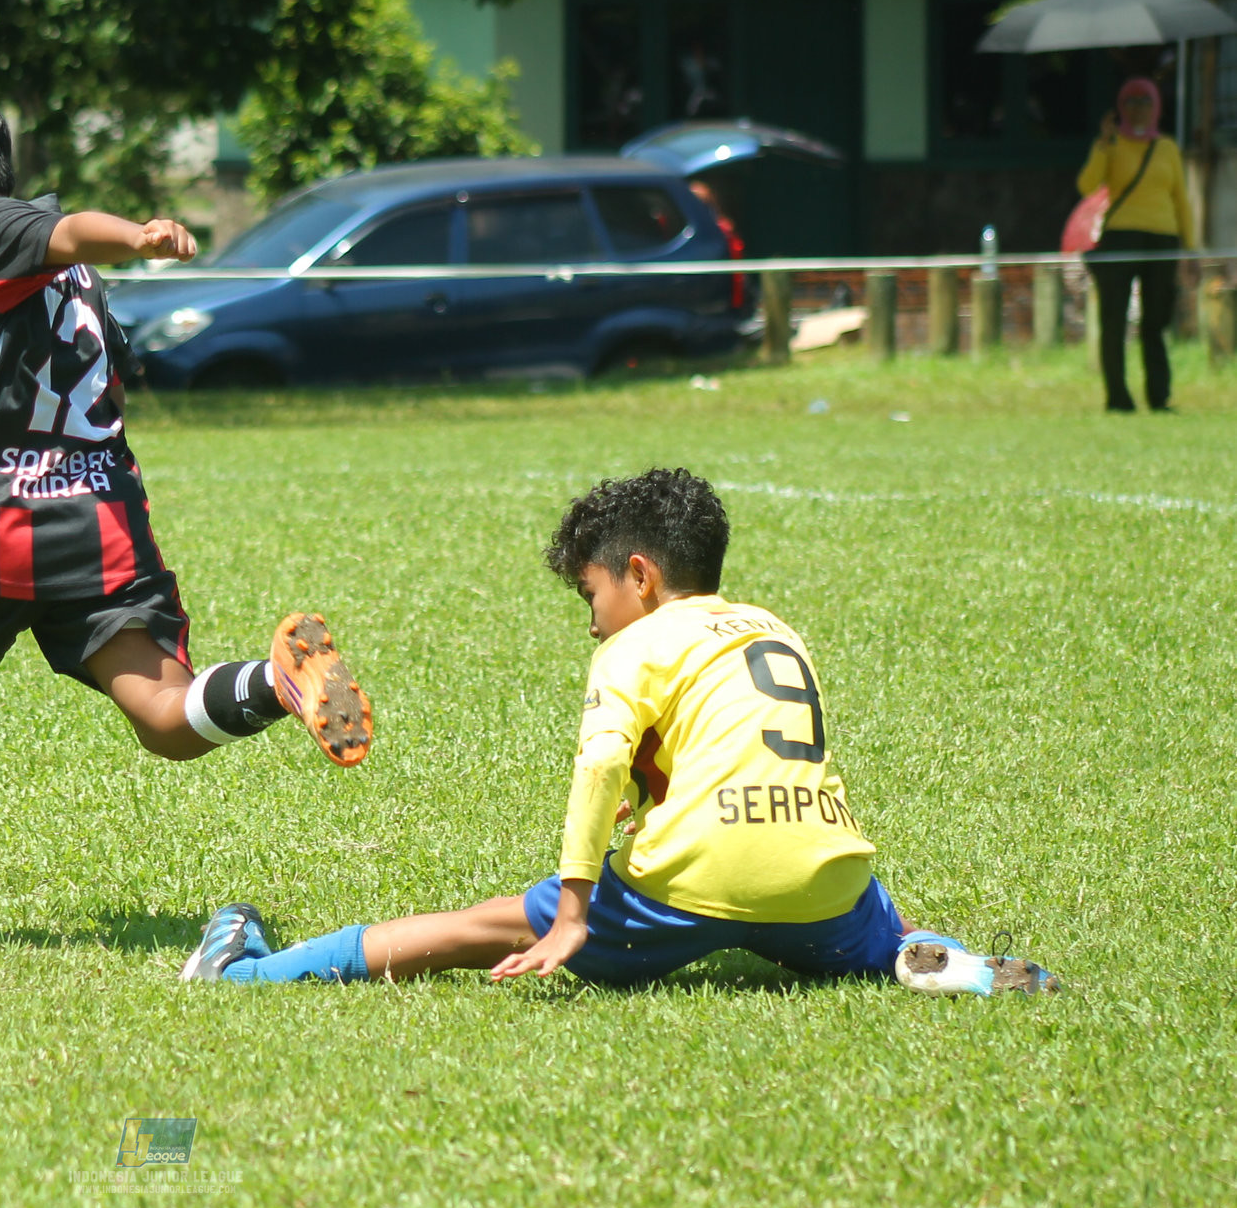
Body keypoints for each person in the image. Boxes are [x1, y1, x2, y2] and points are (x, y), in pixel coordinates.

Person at [0, 70, 373, 947]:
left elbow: (74, 226)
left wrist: (138, 233)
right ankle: (277, 681)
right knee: (166, 716)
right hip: (98, 522)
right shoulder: (67, 277)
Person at [181, 468, 1058, 997]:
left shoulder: (634, 643)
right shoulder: (774, 626)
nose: (593, 620)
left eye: (591, 594)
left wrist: (570, 914)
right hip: (826, 878)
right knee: (877, 929)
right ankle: (938, 960)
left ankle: (243, 970)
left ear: (639, 575)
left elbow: (602, 764)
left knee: (476, 927)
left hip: (695, 878)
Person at [1079, 76, 1196, 413]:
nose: (1138, 109)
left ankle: (1159, 397)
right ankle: (1118, 398)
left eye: (1145, 102)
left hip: (1162, 238)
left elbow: (1181, 200)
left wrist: (1190, 249)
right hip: (1121, 236)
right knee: (1113, 320)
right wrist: (1103, 144)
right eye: (1131, 102)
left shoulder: (1168, 148)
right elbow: (1087, 185)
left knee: (1155, 321)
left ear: (1156, 107)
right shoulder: (1112, 144)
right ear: (1121, 108)